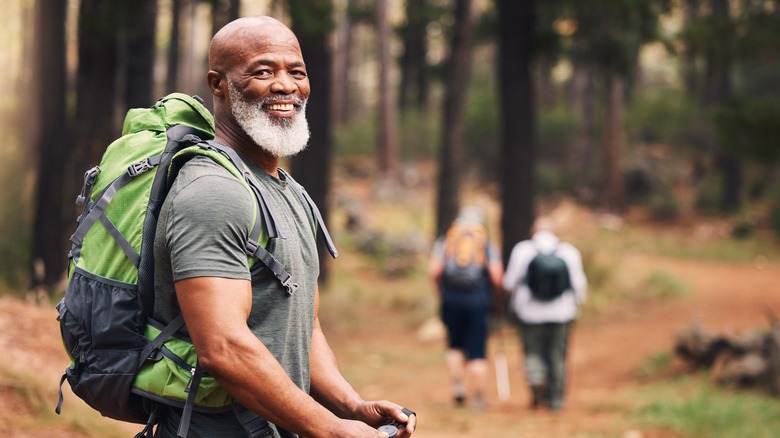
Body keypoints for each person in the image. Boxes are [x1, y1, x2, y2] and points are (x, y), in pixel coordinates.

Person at [151, 16, 416, 437]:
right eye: (263, 71)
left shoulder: (288, 191)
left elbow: (299, 326)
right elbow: (223, 348)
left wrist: (350, 407)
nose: (285, 85)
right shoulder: (212, 192)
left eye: (296, 72)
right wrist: (329, 430)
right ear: (218, 83)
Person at [502, 216, 587, 411]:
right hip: (562, 313)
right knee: (557, 355)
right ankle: (556, 400)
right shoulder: (569, 251)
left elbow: (509, 283)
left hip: (529, 313)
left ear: (534, 232)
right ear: (554, 232)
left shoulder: (523, 250)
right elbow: (579, 285)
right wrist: (576, 307)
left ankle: (536, 379)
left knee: (532, 351)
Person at [429, 207, 504, 409]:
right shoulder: (485, 242)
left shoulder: (447, 240)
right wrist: (496, 299)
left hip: (451, 300)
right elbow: (496, 276)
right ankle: (479, 398)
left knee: (455, 346)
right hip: (477, 302)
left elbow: (435, 271)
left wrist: (442, 294)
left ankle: (458, 390)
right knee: (477, 351)